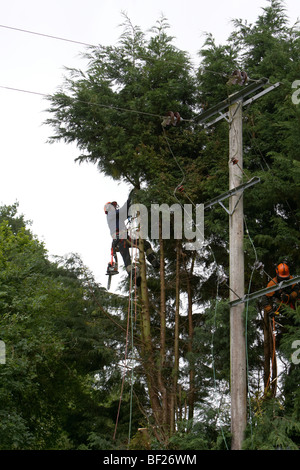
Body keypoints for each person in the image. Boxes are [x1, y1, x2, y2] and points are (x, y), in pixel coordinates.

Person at [104, 194, 159, 287]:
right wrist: (130, 199)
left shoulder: (116, 216)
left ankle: (152, 260)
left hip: (125, 238)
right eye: (113, 206)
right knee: (127, 259)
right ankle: (134, 277)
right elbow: (123, 210)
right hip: (120, 239)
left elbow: (125, 213)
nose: (114, 207)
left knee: (145, 244)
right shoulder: (111, 214)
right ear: (109, 208)